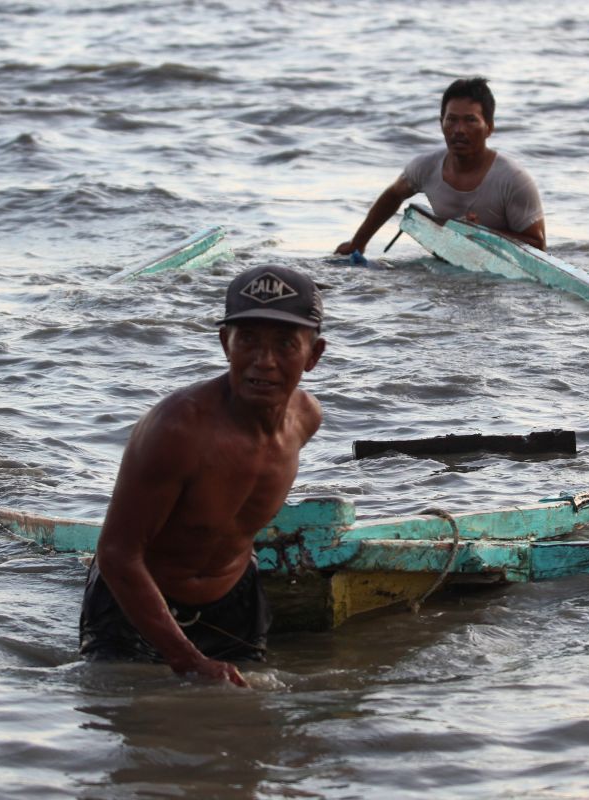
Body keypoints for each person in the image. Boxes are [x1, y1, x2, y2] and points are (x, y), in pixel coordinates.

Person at [79, 265, 326, 687]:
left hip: (233, 603)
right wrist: (187, 659)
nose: (264, 362)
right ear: (225, 343)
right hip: (135, 607)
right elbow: (118, 553)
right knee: (135, 726)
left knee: (248, 731)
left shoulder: (305, 420)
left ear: (313, 355)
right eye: (247, 339)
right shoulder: (177, 429)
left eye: (285, 344)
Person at [335, 76, 546, 255]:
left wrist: (481, 233)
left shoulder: (513, 179)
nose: (459, 130)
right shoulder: (426, 167)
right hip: (448, 267)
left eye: (470, 120)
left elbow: (538, 246)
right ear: (441, 123)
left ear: (489, 128)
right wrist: (358, 244)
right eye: (451, 120)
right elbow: (393, 195)